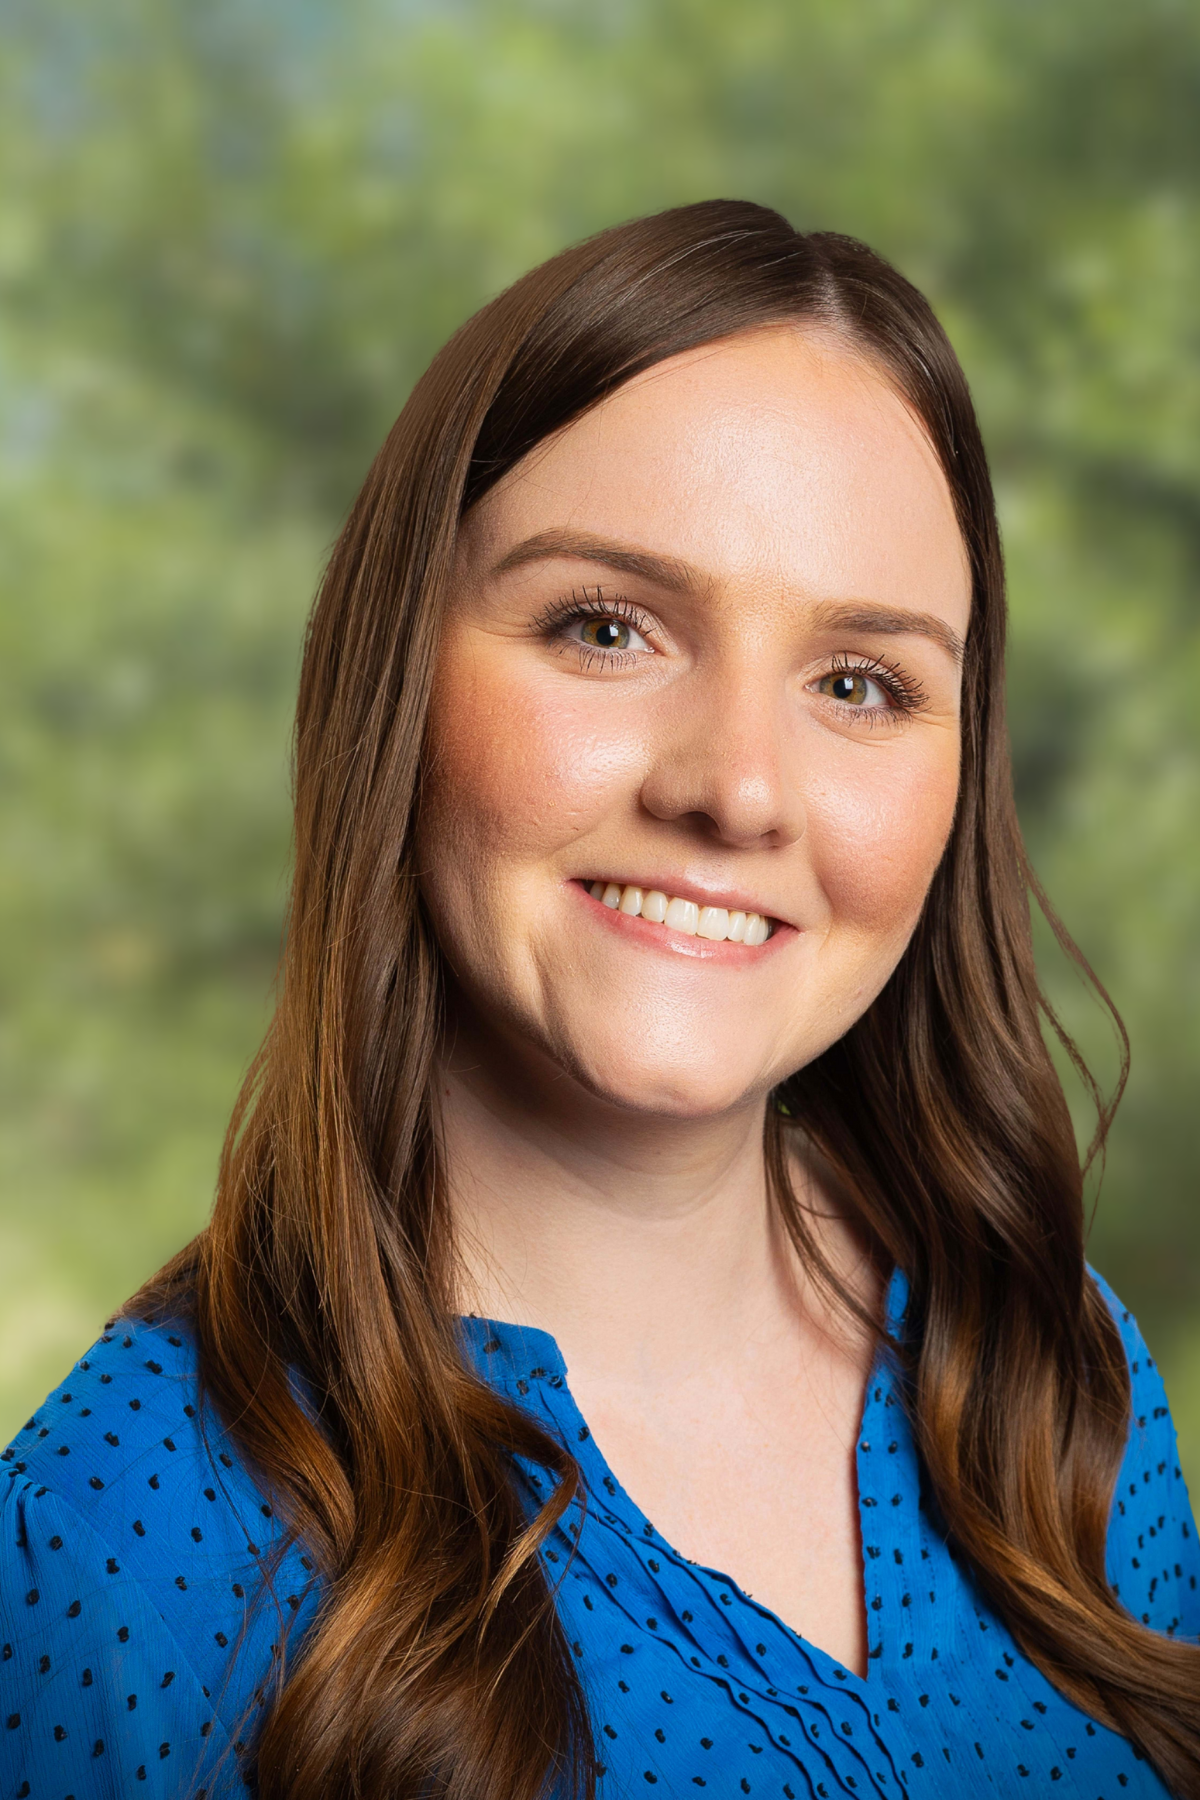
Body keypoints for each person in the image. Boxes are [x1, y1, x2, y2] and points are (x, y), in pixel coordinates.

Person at [3, 200, 1198, 1800]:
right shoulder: (100, 1545)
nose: (739, 790)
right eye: (606, 627)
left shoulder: (1066, 1386)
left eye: (861, 682)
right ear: (395, 678)